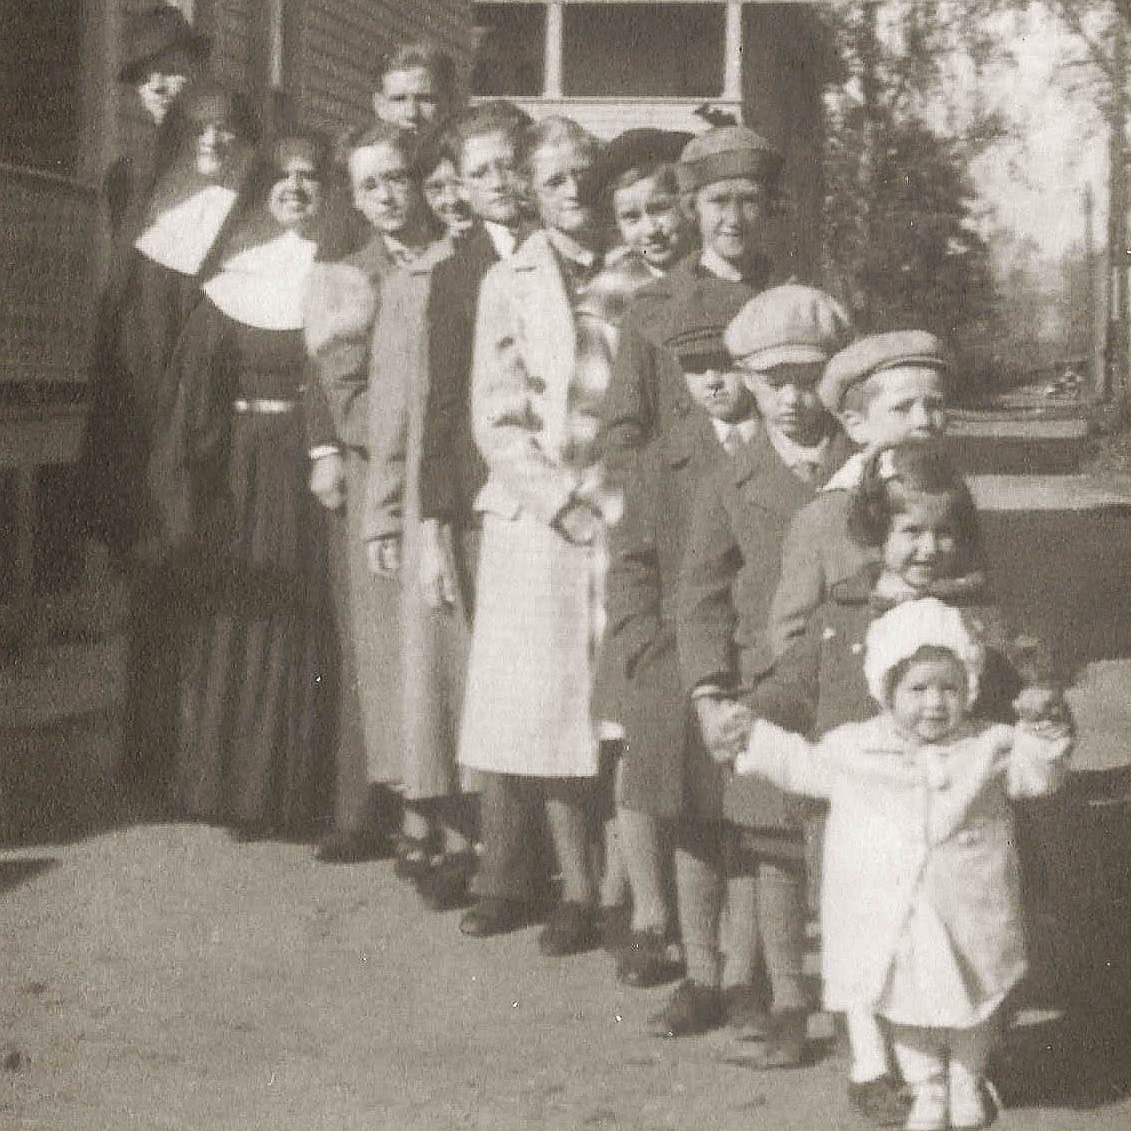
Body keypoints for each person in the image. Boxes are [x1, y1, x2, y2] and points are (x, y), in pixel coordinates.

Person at [748, 440, 1058, 1125]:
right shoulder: (846, 611)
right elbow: (790, 685)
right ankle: (873, 1066)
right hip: (855, 805)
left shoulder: (979, 614)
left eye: (945, 531)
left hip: (957, 806)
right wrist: (750, 714)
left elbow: (1017, 696)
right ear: (875, 533)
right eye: (910, 530)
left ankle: (968, 1062)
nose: (928, 548)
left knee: (965, 935)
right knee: (865, 940)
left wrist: (1038, 701)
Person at [722, 598, 1072, 1131]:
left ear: (970, 688)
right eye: (917, 689)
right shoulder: (855, 749)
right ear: (886, 691)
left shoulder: (989, 744)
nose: (935, 703)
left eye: (950, 688)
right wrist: (754, 736)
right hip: (894, 915)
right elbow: (803, 765)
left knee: (977, 998)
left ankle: (966, 1077)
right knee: (904, 1004)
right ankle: (927, 1087)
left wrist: (1046, 730)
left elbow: (1039, 776)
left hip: (970, 908)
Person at [666, 286, 854, 1058]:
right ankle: (784, 998)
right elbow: (701, 595)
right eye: (771, 380)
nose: (790, 397)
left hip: (850, 680)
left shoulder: (865, 465)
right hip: (765, 681)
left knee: (854, 841)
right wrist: (711, 692)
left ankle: (858, 1000)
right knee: (772, 838)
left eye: (807, 378)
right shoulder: (731, 479)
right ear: (745, 378)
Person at [456, 117, 612, 956]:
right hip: (539, 518)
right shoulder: (507, 281)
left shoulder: (630, 271)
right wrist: (560, 501)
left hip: (619, 511)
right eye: (554, 182)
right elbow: (496, 414)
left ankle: (605, 890)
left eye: (582, 175)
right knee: (536, 712)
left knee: (605, 714)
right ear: (532, 191)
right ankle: (539, 885)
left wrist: (612, 500)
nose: (573, 193)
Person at [149, 131, 332, 837]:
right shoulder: (231, 278)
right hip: (242, 475)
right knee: (245, 617)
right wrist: (190, 489)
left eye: (308, 175)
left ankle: (296, 790)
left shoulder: (337, 268)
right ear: (261, 191)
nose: (294, 188)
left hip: (312, 469)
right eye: (281, 177)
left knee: (307, 627)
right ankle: (235, 788)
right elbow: (193, 398)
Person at [83, 82, 258, 813]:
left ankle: (215, 768)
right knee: (155, 595)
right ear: (179, 136)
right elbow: (122, 327)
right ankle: (153, 759)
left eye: (226, 131)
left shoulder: (249, 213)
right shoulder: (153, 203)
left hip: (219, 429)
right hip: (147, 430)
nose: (212, 143)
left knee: (220, 599)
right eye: (199, 130)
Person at [303, 122, 440, 863]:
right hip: (380, 480)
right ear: (353, 199)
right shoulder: (349, 277)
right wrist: (411, 444)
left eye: (396, 178)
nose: (386, 196)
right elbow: (345, 391)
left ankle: (454, 810)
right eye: (369, 185)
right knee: (389, 646)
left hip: (452, 475)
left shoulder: (457, 258)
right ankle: (407, 809)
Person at [362, 148, 478, 910]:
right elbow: (393, 408)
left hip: (500, 487)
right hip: (431, 491)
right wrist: (382, 510)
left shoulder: (504, 262)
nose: (451, 198)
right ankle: (451, 827)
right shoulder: (417, 280)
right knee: (437, 663)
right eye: (440, 187)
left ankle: (497, 832)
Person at [600, 125, 783, 478]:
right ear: (691, 208)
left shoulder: (793, 302)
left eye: (748, 201)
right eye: (718, 202)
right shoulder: (651, 308)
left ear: (768, 206)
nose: (733, 220)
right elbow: (621, 435)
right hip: (684, 506)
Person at [768, 330, 951, 658]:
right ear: (856, 426)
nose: (924, 420)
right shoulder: (825, 516)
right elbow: (791, 637)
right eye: (903, 408)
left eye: (934, 405)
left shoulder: (950, 501)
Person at [106, 4, 212, 232]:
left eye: (168, 69)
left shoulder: (230, 161)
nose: (156, 86)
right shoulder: (127, 174)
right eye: (144, 78)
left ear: (196, 73)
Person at [372, 40, 456, 141]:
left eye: (424, 99)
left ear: (446, 103)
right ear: (380, 106)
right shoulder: (359, 155)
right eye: (399, 99)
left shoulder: (471, 153)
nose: (412, 113)